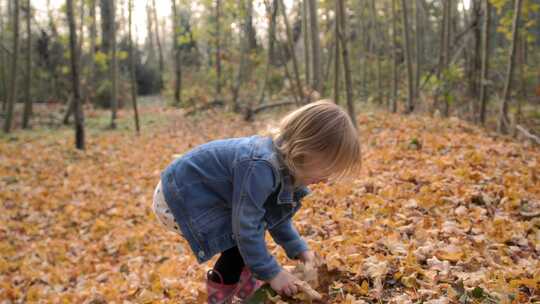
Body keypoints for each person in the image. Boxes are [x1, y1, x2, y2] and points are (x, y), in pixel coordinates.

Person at [152, 100, 361, 303]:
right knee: (238, 242)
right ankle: (221, 298)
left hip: (197, 192)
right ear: (305, 150)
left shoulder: (286, 168)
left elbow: (277, 219)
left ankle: (246, 290)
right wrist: (274, 273)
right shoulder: (260, 167)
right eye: (326, 170)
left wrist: (300, 250)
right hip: (180, 196)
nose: (325, 180)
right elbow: (246, 228)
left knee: (245, 241)